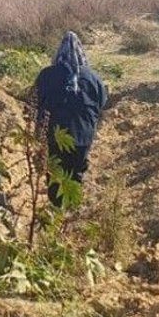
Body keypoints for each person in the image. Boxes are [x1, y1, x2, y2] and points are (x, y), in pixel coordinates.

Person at [34, 32, 109, 206]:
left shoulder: (46, 75)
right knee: (75, 174)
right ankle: (71, 208)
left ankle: (57, 210)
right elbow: (101, 104)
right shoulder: (94, 78)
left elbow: (36, 102)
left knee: (55, 175)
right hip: (83, 136)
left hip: (54, 136)